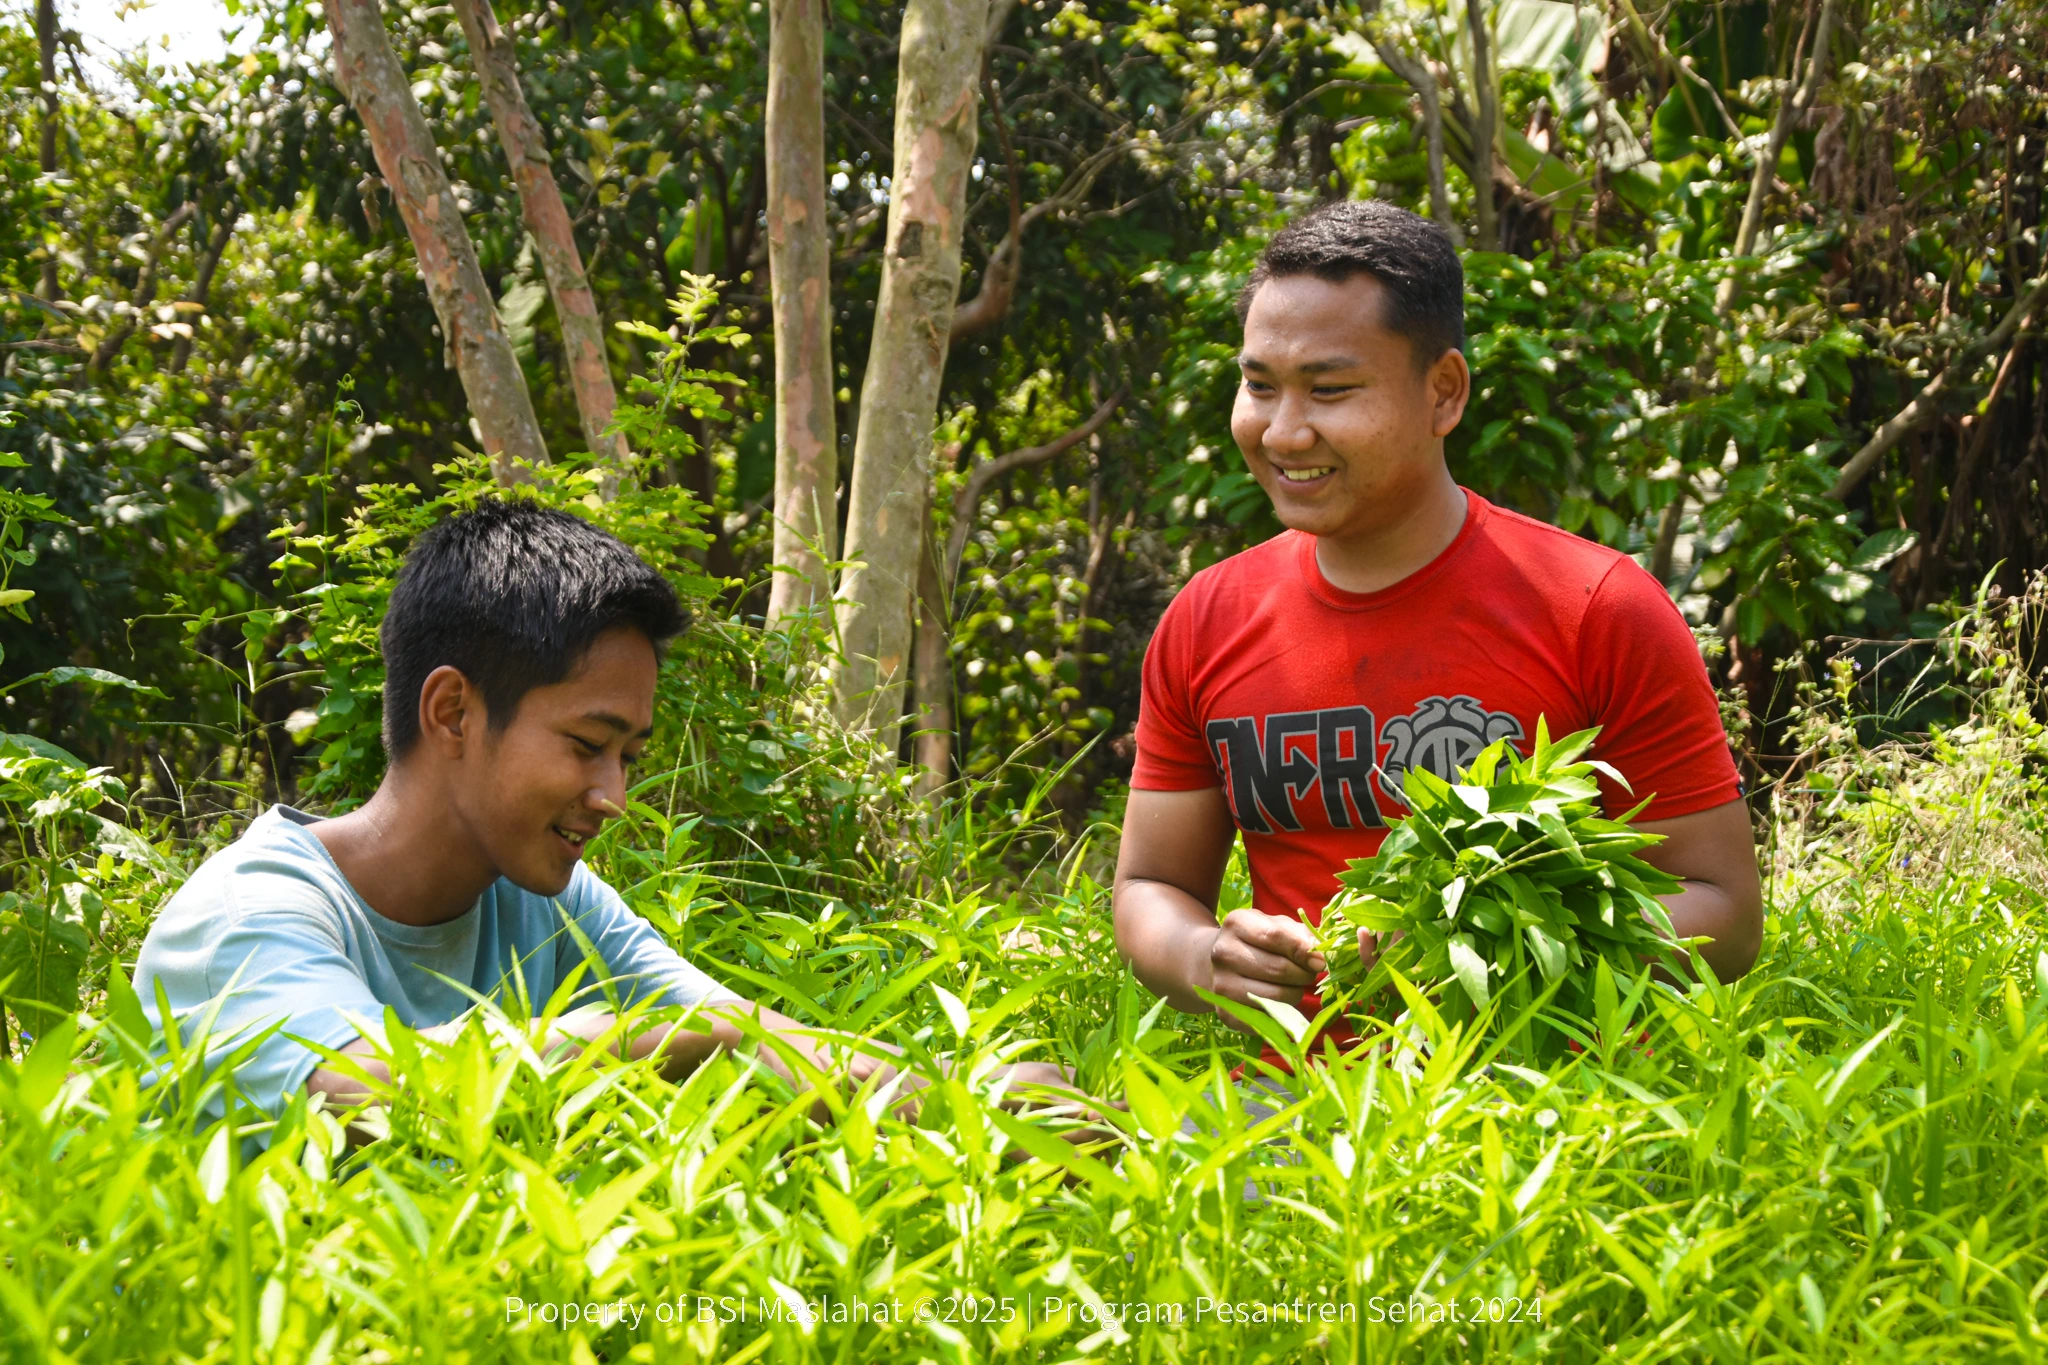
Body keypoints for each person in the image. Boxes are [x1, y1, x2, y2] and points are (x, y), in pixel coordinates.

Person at [135, 499, 1069, 1145]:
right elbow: (365, 1095)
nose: (614, 795)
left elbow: (742, 1026)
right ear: (453, 711)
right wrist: (656, 1046)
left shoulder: (547, 898)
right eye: (588, 743)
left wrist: (967, 1097)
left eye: (629, 755)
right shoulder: (246, 919)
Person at [1113, 200, 1762, 1077]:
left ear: (1443, 392)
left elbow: (1722, 909)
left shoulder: (1596, 606)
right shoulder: (1208, 618)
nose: (1282, 430)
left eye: (1330, 389)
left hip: (1549, 1113)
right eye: (1260, 385)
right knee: (1021, 1108)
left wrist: (1474, 941)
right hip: (1292, 1109)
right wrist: (1204, 957)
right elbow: (1152, 886)